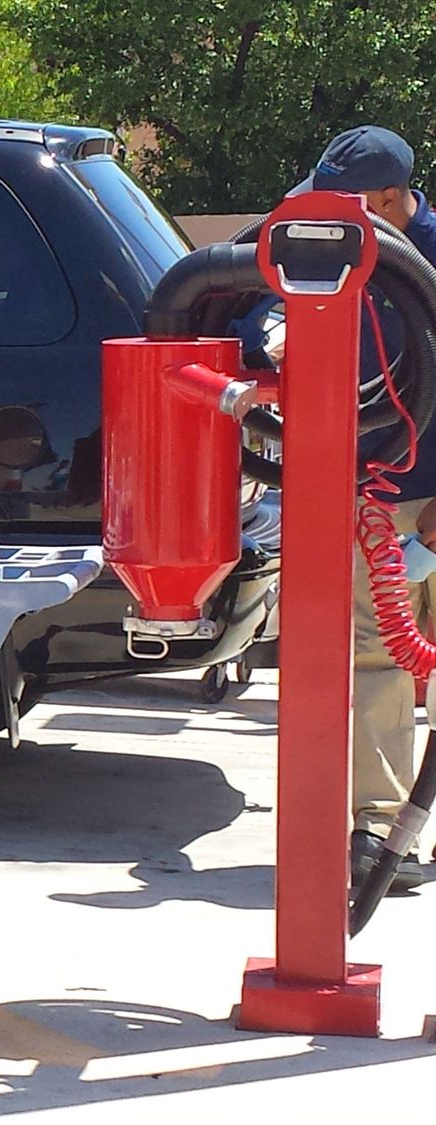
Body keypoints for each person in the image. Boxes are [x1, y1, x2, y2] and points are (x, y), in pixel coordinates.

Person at [276, 127, 436, 893]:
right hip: (376, 495)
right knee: (378, 654)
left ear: (388, 198)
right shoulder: (340, 253)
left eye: (347, 204)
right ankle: (380, 833)